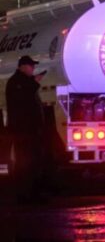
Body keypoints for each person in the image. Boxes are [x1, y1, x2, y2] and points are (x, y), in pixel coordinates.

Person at [6, 55, 48, 204]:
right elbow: (23, 99)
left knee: (31, 162)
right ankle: (25, 194)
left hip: (28, 131)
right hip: (23, 132)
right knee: (26, 163)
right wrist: (35, 82)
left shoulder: (21, 82)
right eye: (31, 66)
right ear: (23, 66)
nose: (33, 69)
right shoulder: (16, 82)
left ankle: (30, 193)